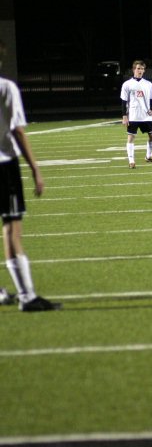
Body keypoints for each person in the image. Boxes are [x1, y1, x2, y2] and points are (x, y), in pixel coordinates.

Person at [0, 40, 61, 312]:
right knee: (13, 229)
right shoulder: (6, 88)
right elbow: (18, 131)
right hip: (3, 166)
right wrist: (35, 168)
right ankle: (27, 297)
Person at [120, 60, 152, 168]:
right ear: (134, 69)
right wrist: (124, 116)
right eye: (138, 68)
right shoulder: (127, 84)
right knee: (131, 138)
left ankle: (148, 156)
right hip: (133, 115)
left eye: (142, 69)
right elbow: (124, 101)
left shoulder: (148, 84)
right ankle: (131, 161)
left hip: (146, 116)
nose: (140, 71)